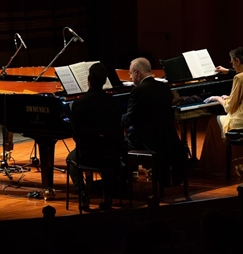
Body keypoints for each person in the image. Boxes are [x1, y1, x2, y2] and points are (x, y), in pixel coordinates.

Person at [66, 62, 123, 210]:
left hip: (87, 154)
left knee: (71, 159)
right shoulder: (114, 102)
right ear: (105, 81)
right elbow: (119, 128)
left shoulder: (79, 104)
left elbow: (76, 135)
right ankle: (108, 195)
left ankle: (83, 194)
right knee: (107, 158)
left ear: (88, 80)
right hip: (112, 154)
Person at [121, 57, 185, 187]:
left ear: (137, 72)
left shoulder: (138, 91)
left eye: (130, 73)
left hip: (148, 142)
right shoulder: (164, 87)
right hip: (168, 138)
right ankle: (162, 178)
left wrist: (115, 118)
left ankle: (124, 185)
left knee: (121, 145)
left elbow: (129, 119)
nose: (130, 77)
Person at [200, 47, 243, 176]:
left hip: (241, 121)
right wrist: (229, 97)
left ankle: (214, 166)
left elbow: (229, 107)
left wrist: (218, 98)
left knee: (213, 121)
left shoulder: (239, 78)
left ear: (237, 60)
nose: (231, 65)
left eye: (232, 62)